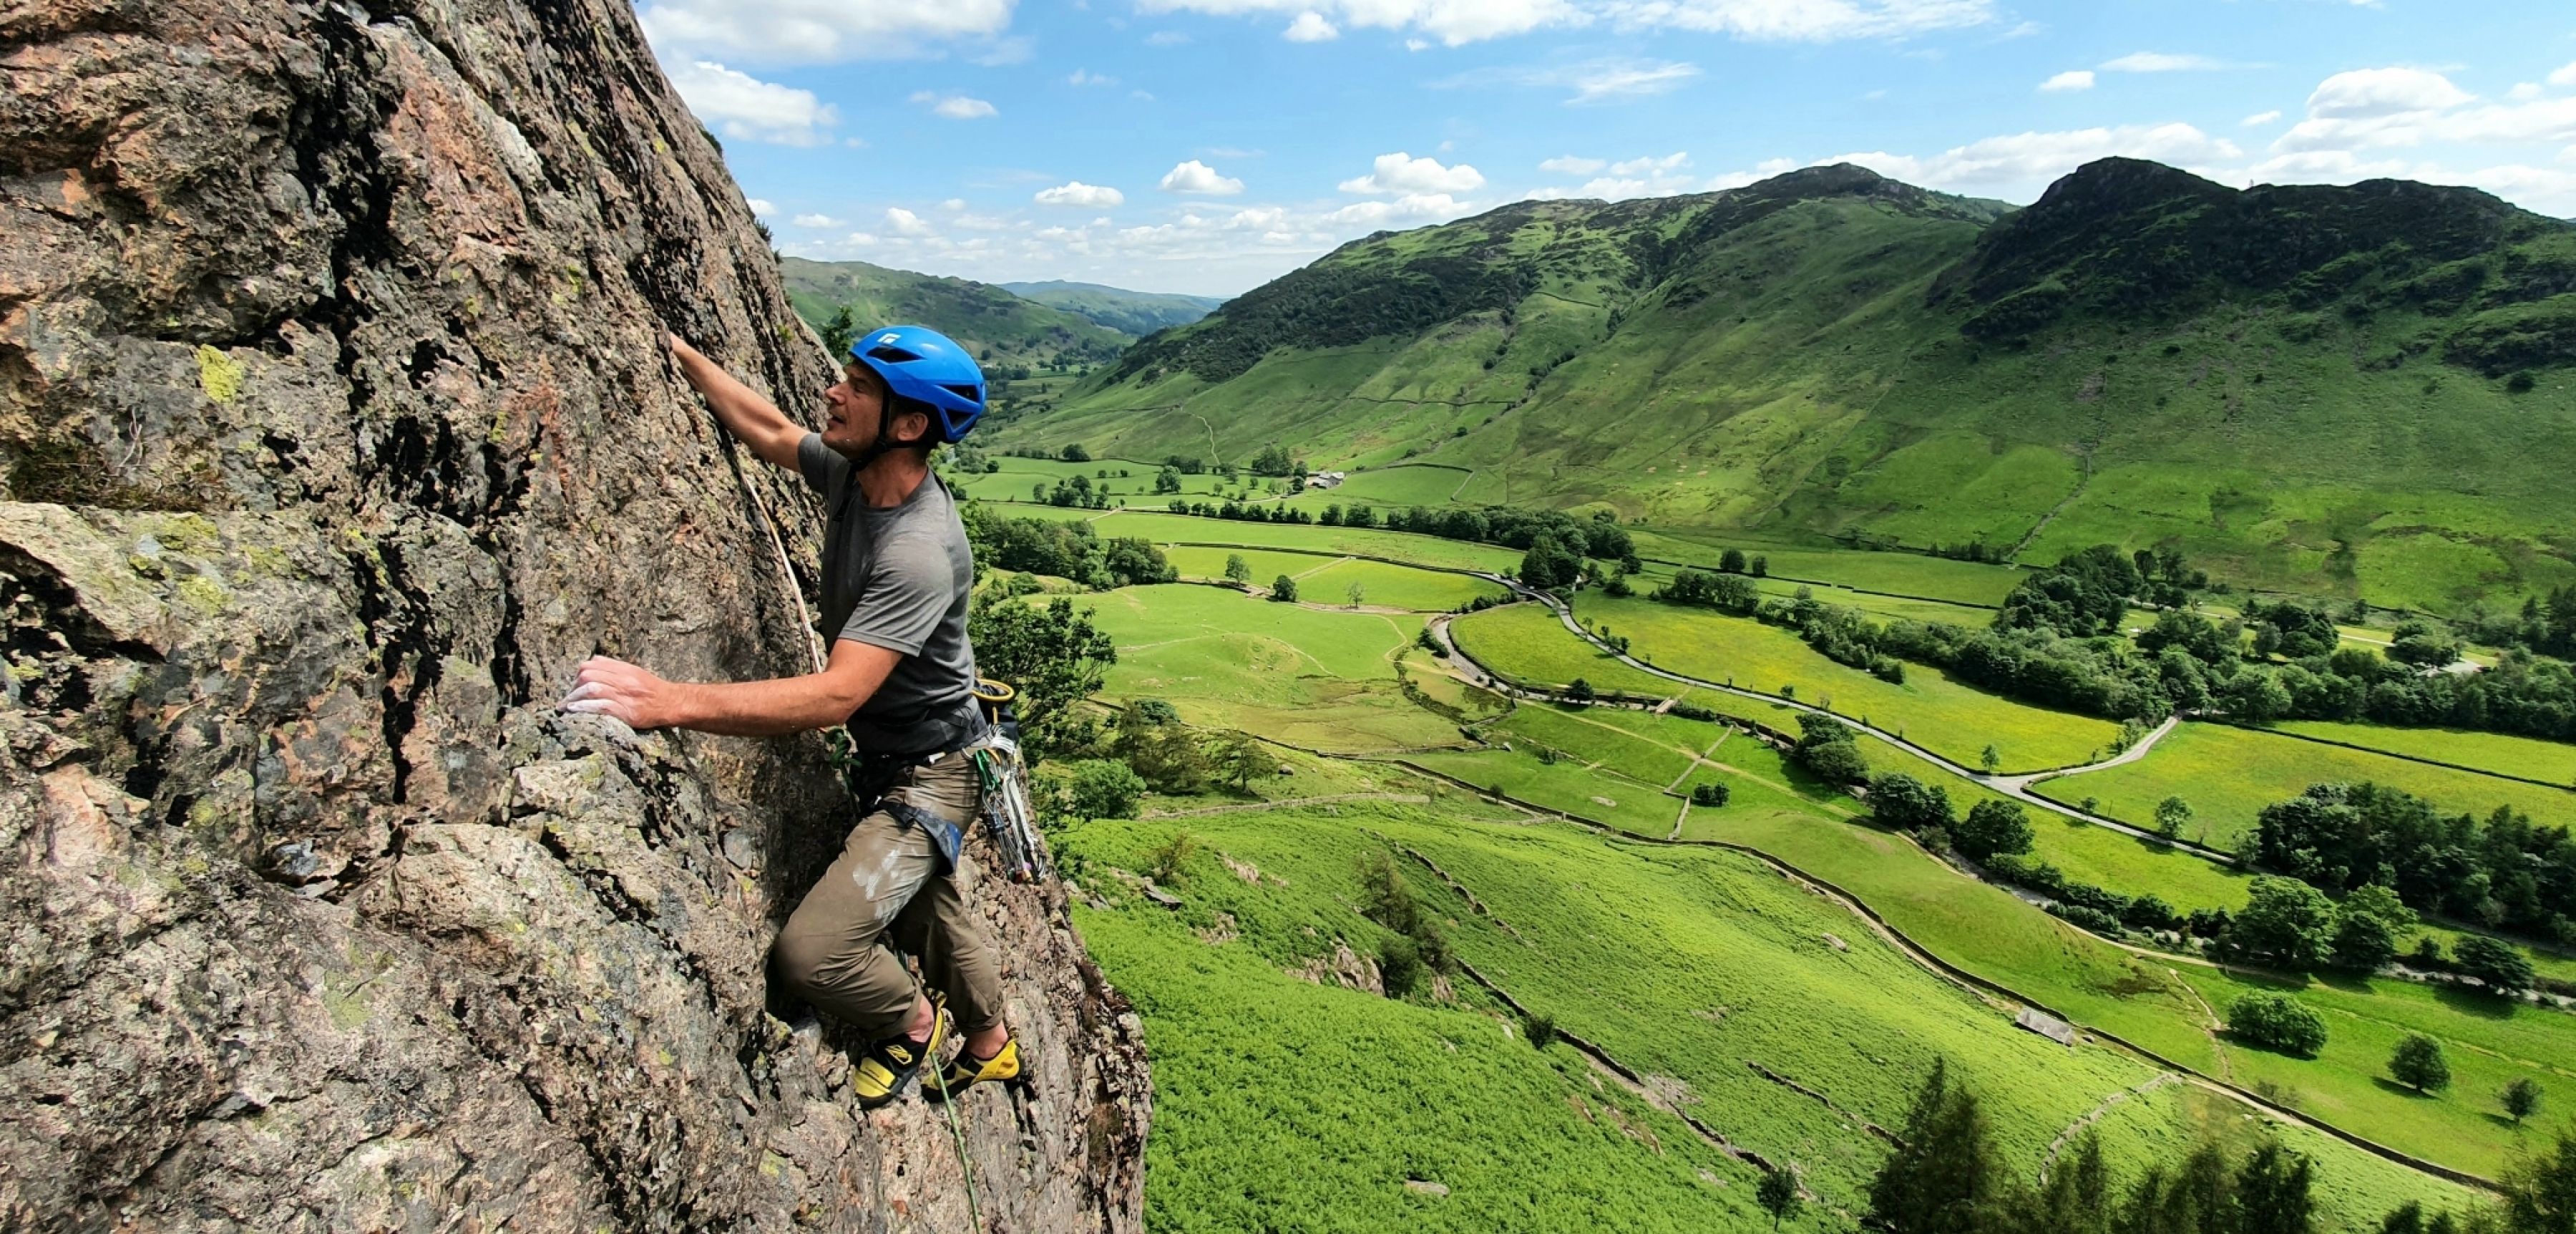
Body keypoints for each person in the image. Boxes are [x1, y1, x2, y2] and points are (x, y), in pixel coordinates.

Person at [562, 324, 1020, 1108]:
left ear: (909, 426)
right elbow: (772, 428)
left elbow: (836, 694)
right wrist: (677, 353)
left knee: (813, 955)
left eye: (859, 387)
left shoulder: (917, 549)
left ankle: (911, 1024)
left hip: (934, 771)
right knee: (927, 913)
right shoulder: (857, 474)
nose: (833, 392)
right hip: (907, 754)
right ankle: (992, 1044)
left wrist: (669, 700)